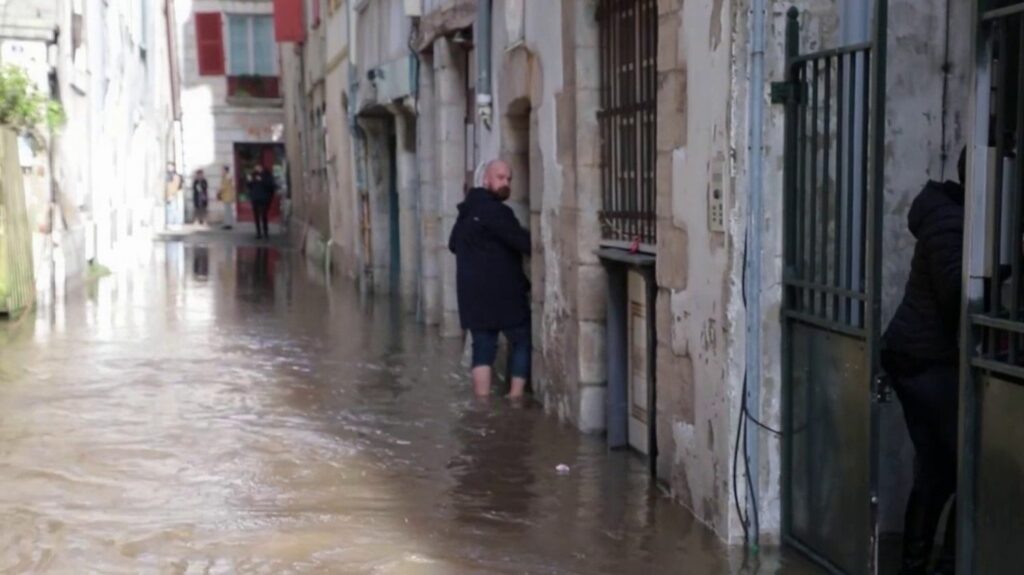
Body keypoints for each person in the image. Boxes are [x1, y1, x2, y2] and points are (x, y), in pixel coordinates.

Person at [881, 149, 967, 575]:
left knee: (941, 467)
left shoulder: (949, 214)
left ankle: (921, 564)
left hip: (920, 357)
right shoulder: (951, 220)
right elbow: (956, 293)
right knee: (957, 466)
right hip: (922, 359)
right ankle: (937, 564)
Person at [448, 159, 532, 399]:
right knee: (522, 340)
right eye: (500, 178)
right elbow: (524, 243)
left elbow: (453, 244)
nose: (505, 183)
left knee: (482, 349)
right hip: (505, 294)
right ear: (486, 179)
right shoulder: (499, 212)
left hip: (473, 297)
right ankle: (515, 399)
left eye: (509, 179)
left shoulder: (466, 211)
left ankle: (481, 408)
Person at [248, 164, 275, 239]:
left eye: (258, 167)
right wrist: (250, 181)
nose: (257, 169)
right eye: (256, 168)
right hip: (255, 198)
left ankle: (265, 232)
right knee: (256, 216)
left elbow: (271, 186)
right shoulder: (253, 175)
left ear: (261, 168)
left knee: (264, 215)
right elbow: (250, 187)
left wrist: (261, 180)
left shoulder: (267, 175)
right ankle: (258, 232)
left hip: (264, 198)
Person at [219, 165, 236, 230]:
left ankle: (228, 224)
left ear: (226, 170)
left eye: (223, 170)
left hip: (227, 196)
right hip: (227, 196)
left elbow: (224, 186)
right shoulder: (226, 176)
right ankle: (228, 224)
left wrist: (219, 191)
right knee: (228, 210)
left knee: (227, 210)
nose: (222, 171)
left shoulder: (227, 177)